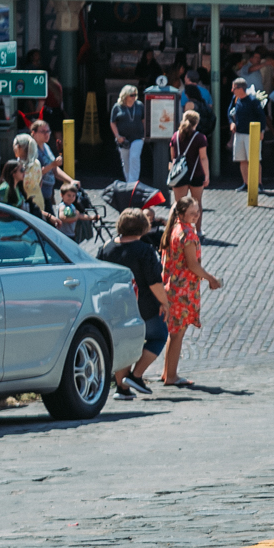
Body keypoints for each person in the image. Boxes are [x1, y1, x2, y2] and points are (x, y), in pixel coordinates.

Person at [102, 208, 167, 400]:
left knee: (124, 344)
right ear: (143, 227)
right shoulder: (144, 250)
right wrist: (165, 302)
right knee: (159, 336)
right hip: (142, 306)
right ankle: (136, 376)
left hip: (114, 306)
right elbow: (154, 282)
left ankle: (122, 389)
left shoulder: (106, 247)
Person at [158, 193, 219, 387]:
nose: (197, 216)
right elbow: (192, 264)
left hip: (170, 285)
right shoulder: (188, 235)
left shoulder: (173, 230)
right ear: (182, 214)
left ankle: (167, 372)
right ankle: (172, 376)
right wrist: (210, 278)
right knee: (178, 333)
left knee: (174, 332)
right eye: (193, 213)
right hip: (183, 290)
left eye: (198, 212)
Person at [168, 109, 209, 219]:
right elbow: (203, 158)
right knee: (197, 203)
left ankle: (174, 229)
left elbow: (173, 157)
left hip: (179, 174)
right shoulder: (200, 137)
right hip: (196, 173)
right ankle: (198, 231)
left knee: (178, 203)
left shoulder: (175, 136)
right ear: (196, 123)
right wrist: (207, 175)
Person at [228, 78, 267, 192]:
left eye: (234, 88)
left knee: (254, 160)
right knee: (242, 159)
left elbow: (262, 117)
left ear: (240, 89)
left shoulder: (253, 101)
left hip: (251, 134)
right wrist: (232, 123)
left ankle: (258, 183)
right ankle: (246, 183)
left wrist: (261, 131)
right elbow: (229, 112)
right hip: (239, 133)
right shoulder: (235, 99)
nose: (232, 90)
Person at [109, 85, 146, 183]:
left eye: (135, 95)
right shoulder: (117, 107)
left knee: (134, 157)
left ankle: (133, 183)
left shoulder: (139, 105)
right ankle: (129, 181)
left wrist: (146, 134)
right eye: (131, 95)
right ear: (125, 96)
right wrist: (117, 136)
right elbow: (113, 122)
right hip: (123, 139)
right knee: (125, 161)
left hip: (138, 136)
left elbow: (144, 120)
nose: (134, 97)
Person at [27, 119, 63, 207]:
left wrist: (70, 181)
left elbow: (55, 170)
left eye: (48, 131)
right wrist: (53, 164)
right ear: (34, 133)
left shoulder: (46, 147)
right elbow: (36, 172)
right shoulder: (32, 150)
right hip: (39, 192)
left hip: (49, 191)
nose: (46, 134)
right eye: (43, 131)